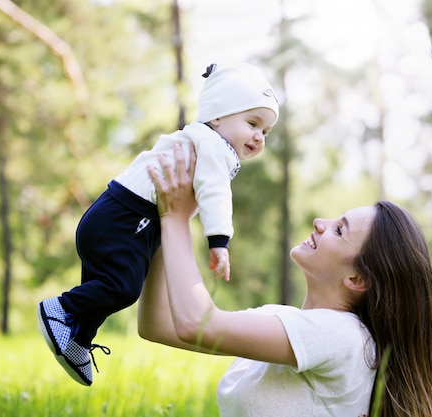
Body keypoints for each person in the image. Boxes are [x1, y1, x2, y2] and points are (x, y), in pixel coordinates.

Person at [138, 144, 432, 417]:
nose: (319, 223)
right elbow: (159, 325)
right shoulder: (283, 320)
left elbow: (198, 324)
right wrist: (164, 219)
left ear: (356, 278)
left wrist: (175, 218)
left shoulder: (345, 337)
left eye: (339, 231)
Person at [37, 62, 280, 386]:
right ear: (218, 115)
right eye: (252, 123)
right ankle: (60, 308)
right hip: (125, 217)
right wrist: (219, 241)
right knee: (122, 287)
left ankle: (77, 337)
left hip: (125, 218)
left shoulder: (203, 142)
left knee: (112, 286)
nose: (258, 137)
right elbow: (215, 193)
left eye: (265, 132)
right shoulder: (212, 144)